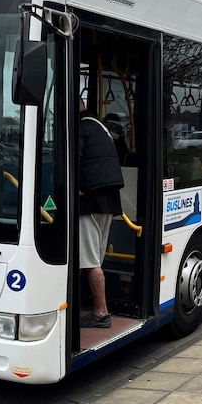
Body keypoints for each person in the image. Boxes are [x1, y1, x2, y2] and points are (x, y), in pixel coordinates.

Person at [78, 99, 124, 328]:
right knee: (96, 257)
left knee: (90, 260)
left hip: (89, 202)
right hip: (108, 201)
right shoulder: (100, 125)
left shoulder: (79, 127)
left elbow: (70, 163)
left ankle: (100, 312)